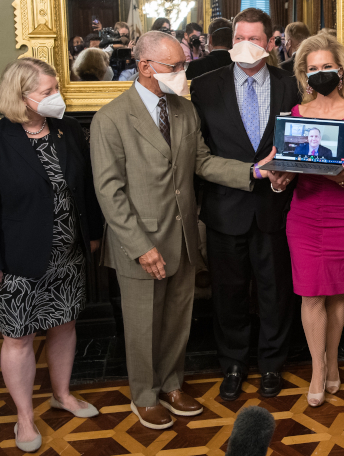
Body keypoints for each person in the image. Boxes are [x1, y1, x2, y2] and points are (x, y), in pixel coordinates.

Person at [90, 30, 285, 430]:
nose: (183, 73)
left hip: (182, 237)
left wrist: (255, 171)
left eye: (182, 64)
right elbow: (110, 194)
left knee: (178, 317)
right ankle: (144, 394)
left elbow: (203, 162)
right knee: (143, 323)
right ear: (144, 67)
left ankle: (172, 383)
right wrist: (141, 246)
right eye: (174, 67)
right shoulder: (110, 119)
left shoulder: (184, 110)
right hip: (138, 242)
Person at [0, 58, 103, 453]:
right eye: (47, 92)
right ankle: (24, 416)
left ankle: (62, 394)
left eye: (55, 88)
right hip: (18, 261)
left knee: (64, 325)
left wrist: (91, 236)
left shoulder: (69, 130)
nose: (56, 97)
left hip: (68, 255)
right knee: (19, 338)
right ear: (21, 96)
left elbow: (86, 188)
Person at [190, 8, 301, 402]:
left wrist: (292, 172)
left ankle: (272, 364)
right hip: (225, 207)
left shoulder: (291, 85)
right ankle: (233, 364)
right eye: (240, 38)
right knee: (229, 293)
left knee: (275, 293)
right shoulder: (203, 87)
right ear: (230, 40)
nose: (246, 46)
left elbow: (301, 142)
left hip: (276, 205)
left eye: (255, 39)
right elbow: (199, 154)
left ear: (271, 43)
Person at [286, 33, 344, 407]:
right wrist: (278, 175)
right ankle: (318, 367)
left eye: (326, 67)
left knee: (337, 292)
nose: (320, 73)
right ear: (303, 74)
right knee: (311, 292)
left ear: (341, 70)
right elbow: (280, 159)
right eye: (312, 69)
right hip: (304, 212)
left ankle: (333, 361)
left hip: (342, 211)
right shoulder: (296, 116)